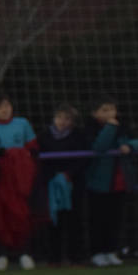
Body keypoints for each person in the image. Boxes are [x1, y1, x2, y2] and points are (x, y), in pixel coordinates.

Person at [0, 93, 39, 270]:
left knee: (23, 214)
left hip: (21, 179)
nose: (4, 110)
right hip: (0, 178)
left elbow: (33, 146)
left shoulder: (23, 123)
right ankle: (1, 254)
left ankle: (25, 253)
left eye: (7, 105)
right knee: (1, 214)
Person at [85, 97, 138, 266]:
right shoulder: (91, 129)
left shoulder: (123, 127)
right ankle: (97, 252)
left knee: (115, 219)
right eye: (104, 110)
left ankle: (111, 251)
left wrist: (130, 146)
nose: (110, 113)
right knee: (98, 220)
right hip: (99, 183)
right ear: (94, 113)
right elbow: (99, 147)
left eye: (112, 109)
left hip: (119, 182)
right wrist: (110, 127)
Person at [33, 103, 86, 266]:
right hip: (50, 183)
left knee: (74, 220)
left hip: (72, 183)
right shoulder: (44, 136)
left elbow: (82, 158)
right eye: (60, 117)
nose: (63, 121)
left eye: (67, 118)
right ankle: (53, 258)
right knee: (53, 221)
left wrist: (68, 175)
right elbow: (39, 158)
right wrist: (52, 176)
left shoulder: (78, 136)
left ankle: (75, 257)